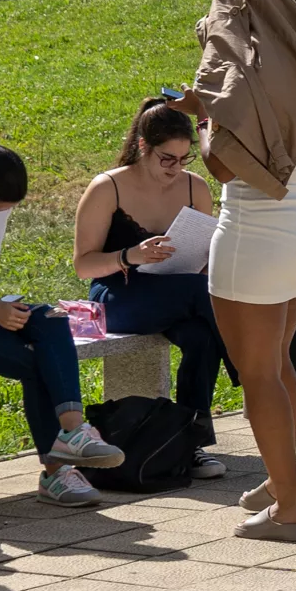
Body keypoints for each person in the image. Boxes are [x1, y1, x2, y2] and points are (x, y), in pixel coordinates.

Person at [171, 0, 296, 540]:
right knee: (277, 367)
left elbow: (224, 167)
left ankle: (292, 507)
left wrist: (203, 116)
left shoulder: (237, 82)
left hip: (253, 235)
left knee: (258, 378)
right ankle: (281, 480)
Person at [73, 98, 230, 478]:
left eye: (184, 159)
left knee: (202, 337)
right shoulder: (108, 186)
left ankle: (190, 443)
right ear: (144, 146)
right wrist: (131, 255)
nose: (176, 169)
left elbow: (203, 255)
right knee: (201, 292)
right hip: (118, 296)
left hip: (176, 292)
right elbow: (83, 265)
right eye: (167, 159)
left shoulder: (195, 188)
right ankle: (259, 373)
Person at [0, 138, 125, 508]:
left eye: (2, 211)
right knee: (41, 366)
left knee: (49, 317)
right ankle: (56, 469)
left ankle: (72, 430)